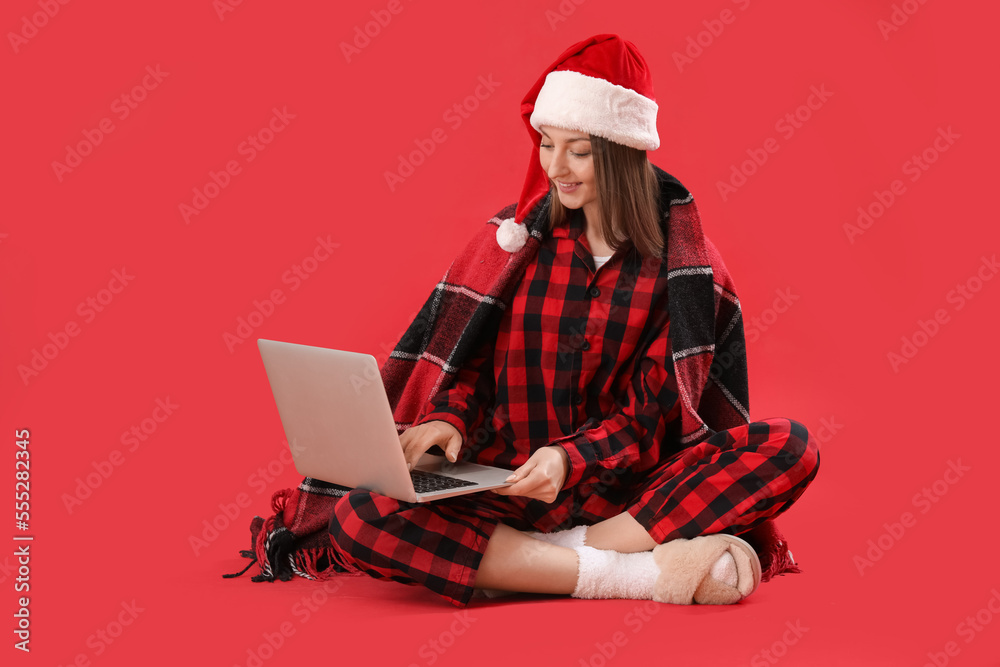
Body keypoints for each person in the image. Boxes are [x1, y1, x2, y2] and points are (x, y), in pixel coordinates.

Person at [325, 34, 820, 607]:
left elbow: (648, 422)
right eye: (546, 144)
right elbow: (472, 369)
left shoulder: (685, 271)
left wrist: (568, 458)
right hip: (509, 481)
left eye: (577, 150)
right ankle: (636, 575)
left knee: (791, 446)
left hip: (630, 495)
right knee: (358, 514)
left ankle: (545, 560)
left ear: (620, 151)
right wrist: (449, 421)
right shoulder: (514, 245)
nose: (555, 167)